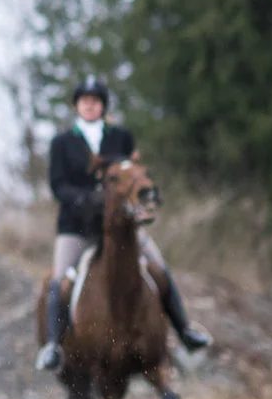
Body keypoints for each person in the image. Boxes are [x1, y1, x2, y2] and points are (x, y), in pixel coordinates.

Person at [35, 77, 210, 371]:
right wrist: (88, 200)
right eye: (84, 101)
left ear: (103, 106)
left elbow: (133, 177)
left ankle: (185, 331)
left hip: (121, 228)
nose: (90, 105)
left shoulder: (121, 137)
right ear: (77, 105)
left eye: (95, 101)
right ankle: (53, 346)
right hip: (77, 227)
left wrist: (143, 199)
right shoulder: (62, 142)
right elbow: (58, 186)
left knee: (159, 268)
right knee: (60, 281)